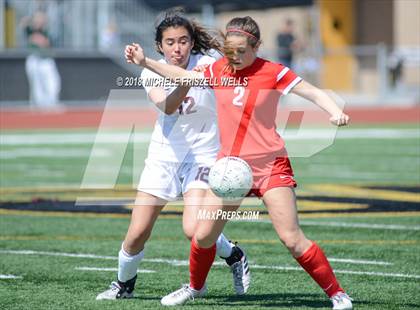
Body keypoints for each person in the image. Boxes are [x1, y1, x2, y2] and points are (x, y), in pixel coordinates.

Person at [125, 15, 353, 310]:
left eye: (242, 51)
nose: (235, 57)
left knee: (291, 238)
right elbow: (183, 78)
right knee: (203, 234)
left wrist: (334, 111)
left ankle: (338, 294)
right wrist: (146, 63)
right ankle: (195, 288)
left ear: (256, 47)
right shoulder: (219, 69)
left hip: (270, 166)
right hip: (231, 169)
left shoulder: (273, 72)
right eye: (230, 50)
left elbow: (312, 92)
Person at [96, 10, 251, 301]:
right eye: (170, 42)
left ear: (192, 43)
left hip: (203, 158)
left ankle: (232, 254)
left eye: (182, 41)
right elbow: (167, 107)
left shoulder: (208, 64)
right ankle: (124, 286)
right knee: (137, 231)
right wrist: (182, 78)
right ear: (160, 46)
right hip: (164, 157)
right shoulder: (148, 73)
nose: (177, 48)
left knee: (193, 228)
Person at [22, 11, 61, 109]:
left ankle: (52, 104)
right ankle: (39, 107)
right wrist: (31, 19)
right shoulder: (30, 30)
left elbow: (48, 44)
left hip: (46, 60)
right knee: (37, 86)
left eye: (41, 19)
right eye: (37, 19)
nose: (39, 21)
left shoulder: (47, 32)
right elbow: (23, 23)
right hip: (34, 60)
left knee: (53, 83)